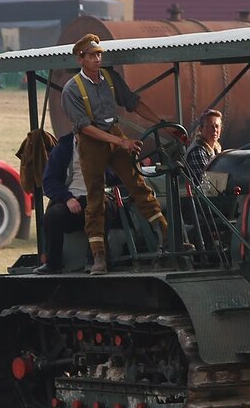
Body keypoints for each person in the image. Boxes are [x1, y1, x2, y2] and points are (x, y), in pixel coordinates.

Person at [61, 33, 170, 275]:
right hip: (92, 142)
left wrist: (163, 123)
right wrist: (121, 142)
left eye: (99, 54)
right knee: (96, 197)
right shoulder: (72, 90)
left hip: (113, 133)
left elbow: (134, 102)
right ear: (81, 59)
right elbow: (85, 127)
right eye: (91, 55)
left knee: (138, 184)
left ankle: (166, 235)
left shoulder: (111, 79)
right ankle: (99, 256)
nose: (97, 59)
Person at [34, 132, 99, 274]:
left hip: (99, 196)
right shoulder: (63, 149)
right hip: (73, 198)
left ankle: (95, 259)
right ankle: (53, 262)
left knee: (101, 210)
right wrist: (67, 198)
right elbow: (49, 181)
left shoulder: (105, 147)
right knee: (52, 217)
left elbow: (116, 174)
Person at [185, 109, 223, 187]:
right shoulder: (197, 150)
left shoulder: (217, 148)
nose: (215, 130)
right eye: (210, 127)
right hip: (198, 196)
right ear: (201, 129)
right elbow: (206, 180)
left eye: (217, 126)